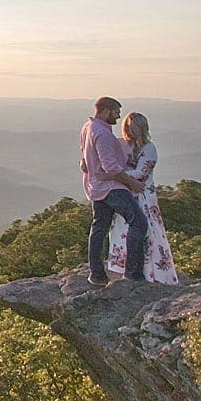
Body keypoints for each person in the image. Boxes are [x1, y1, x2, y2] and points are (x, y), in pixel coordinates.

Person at [79, 96, 146, 286]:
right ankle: (133, 274)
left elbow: (84, 156)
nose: (118, 117)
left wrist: (85, 165)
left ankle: (97, 275)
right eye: (116, 113)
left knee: (99, 227)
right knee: (139, 223)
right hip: (112, 188)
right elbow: (112, 167)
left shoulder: (87, 127)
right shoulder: (103, 133)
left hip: (95, 187)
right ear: (106, 111)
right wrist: (132, 183)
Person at [107, 112, 179, 284]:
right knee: (123, 231)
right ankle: (126, 268)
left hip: (143, 196)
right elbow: (101, 154)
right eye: (127, 128)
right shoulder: (123, 145)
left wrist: (112, 175)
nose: (129, 132)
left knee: (148, 233)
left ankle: (153, 272)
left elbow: (141, 172)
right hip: (126, 193)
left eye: (133, 128)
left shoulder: (149, 148)